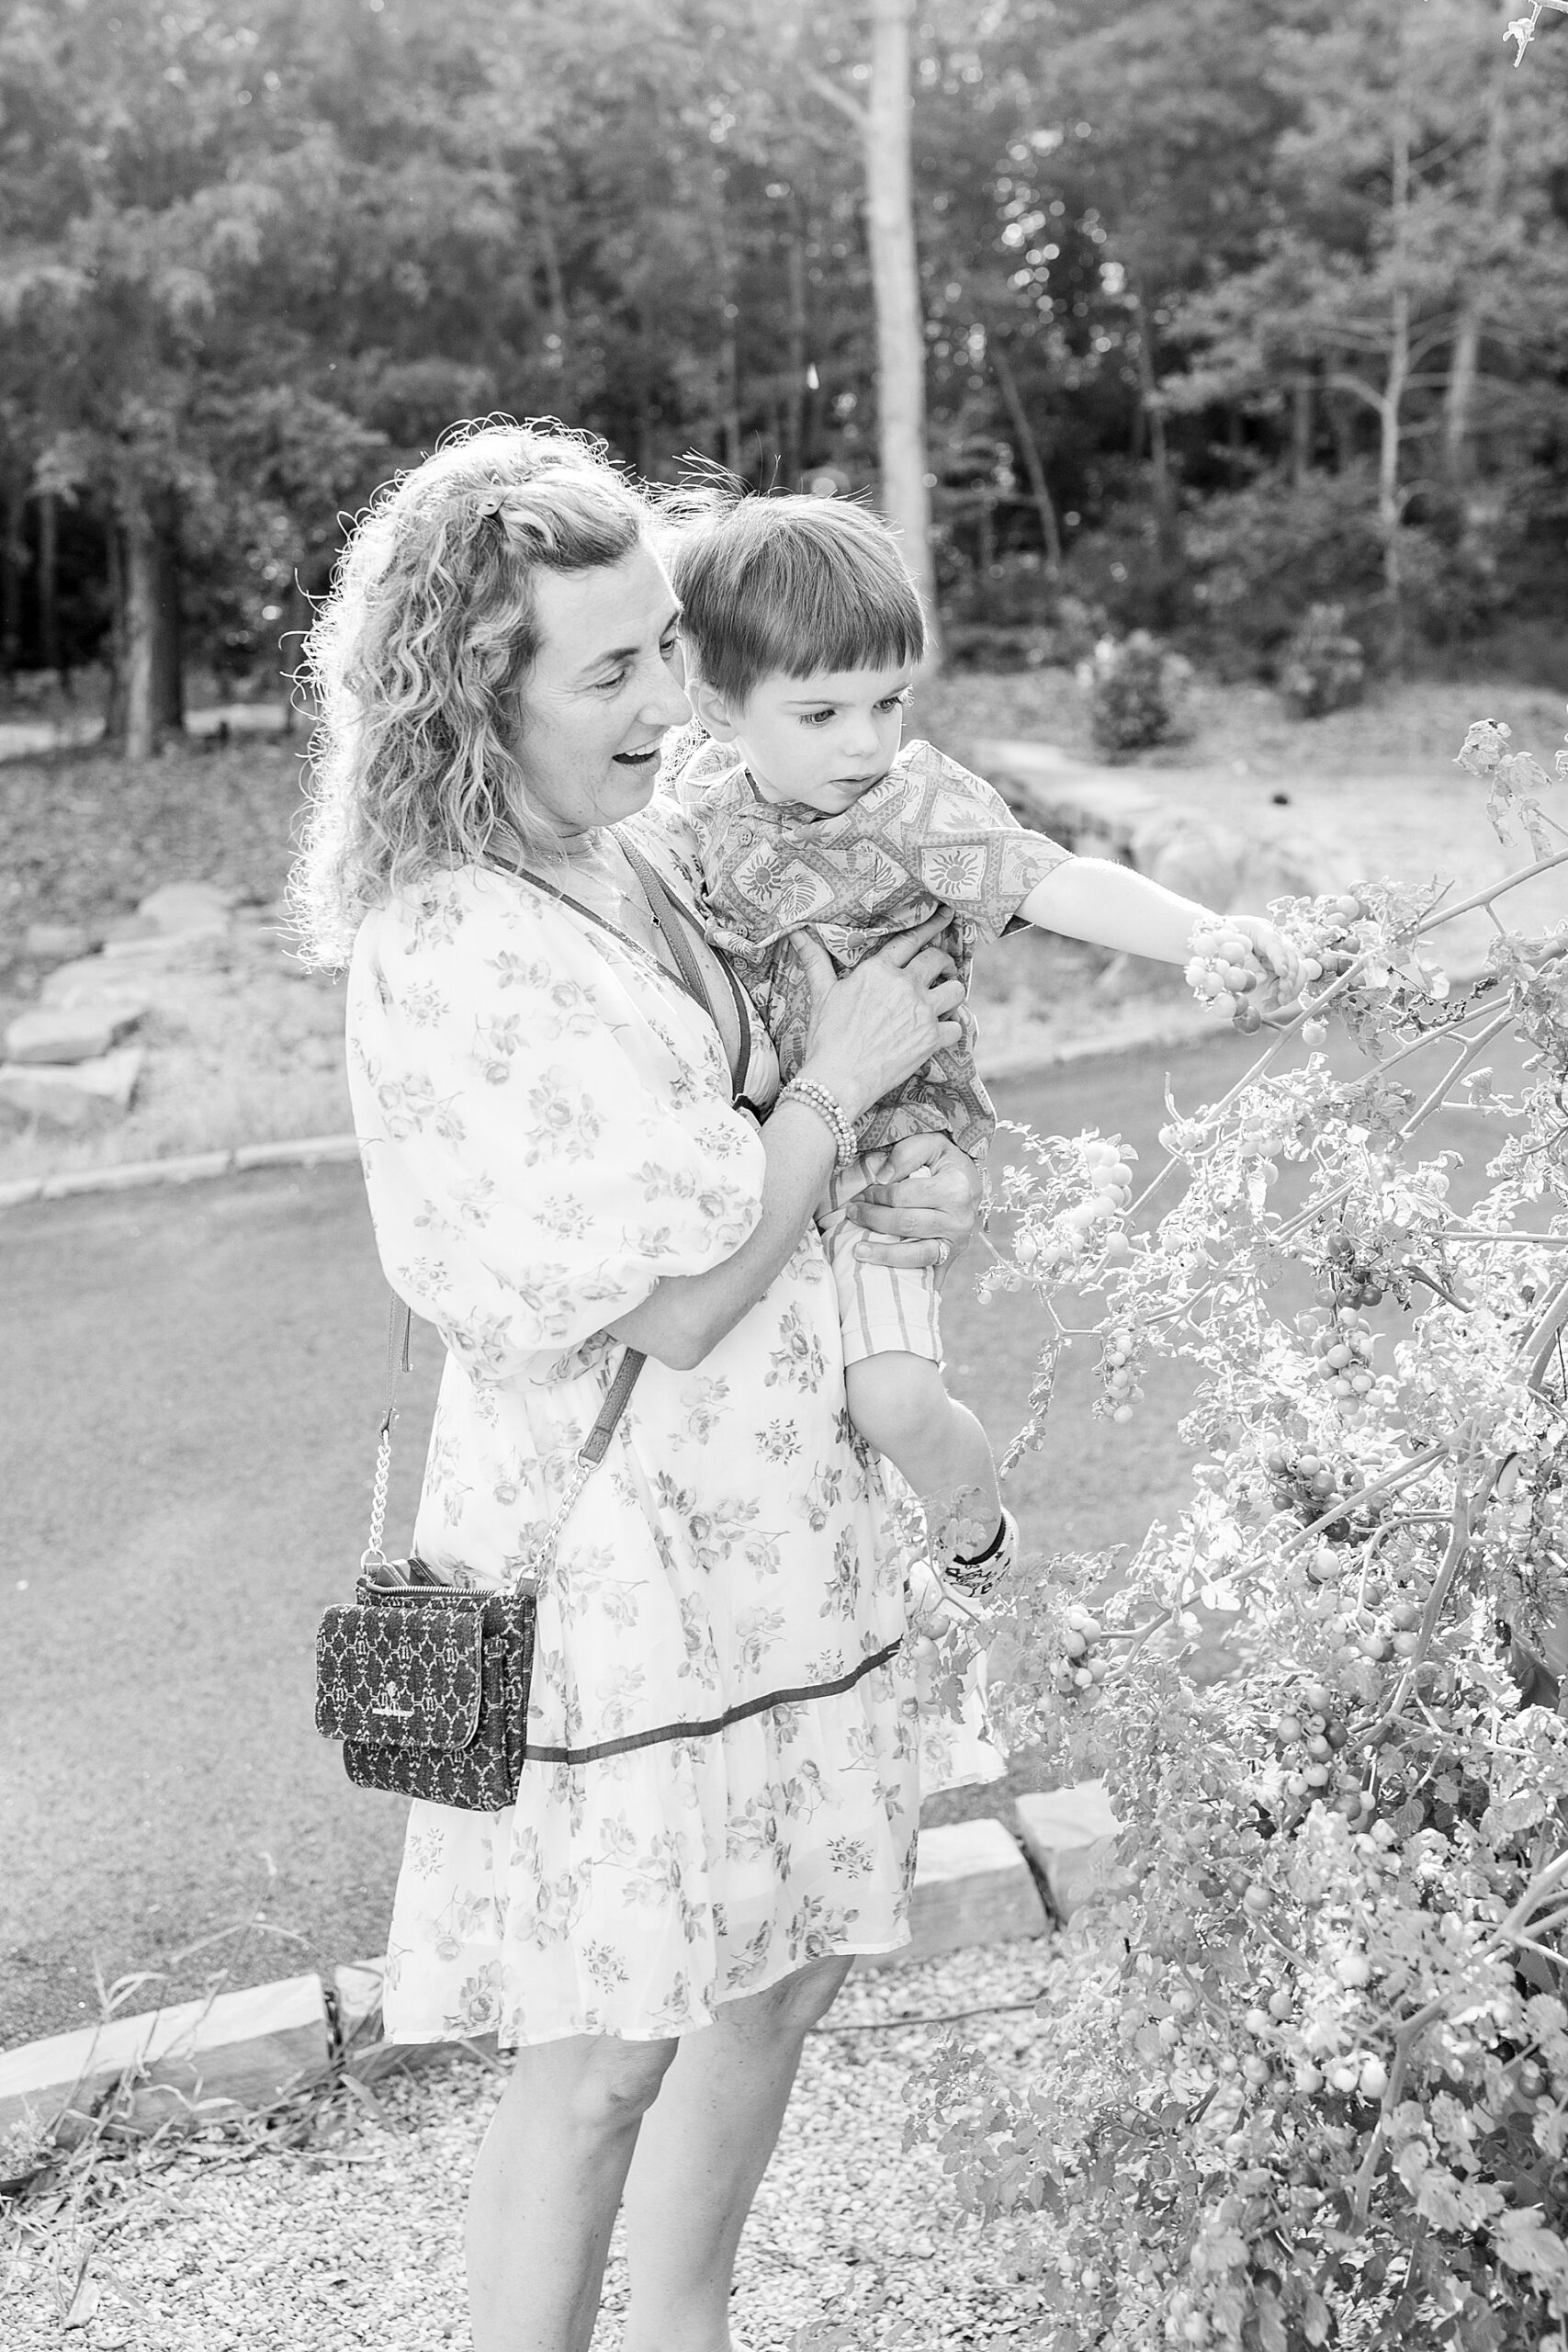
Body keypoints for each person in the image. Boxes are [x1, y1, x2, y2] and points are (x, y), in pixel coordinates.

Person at [290, 421, 987, 2352]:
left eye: (665, 646)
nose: (670, 703)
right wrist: (839, 1079)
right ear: (472, 691)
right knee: (601, 2058)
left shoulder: (630, 858)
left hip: (774, 1535)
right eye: (609, 670)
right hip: (619, 1578)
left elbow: (767, 1144)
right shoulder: (456, 944)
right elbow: (673, 1305)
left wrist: (879, 1150)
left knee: (776, 1976)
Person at [667, 492, 1304, 1587]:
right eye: (820, 713)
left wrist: (1202, 935)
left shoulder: (916, 807)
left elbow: (1054, 880)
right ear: (719, 707)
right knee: (771, 1421)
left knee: (891, 1399)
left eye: (888, 701)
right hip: (757, 1153)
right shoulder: (691, 808)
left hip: (889, 1153)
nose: (865, 740)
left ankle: (978, 1543)